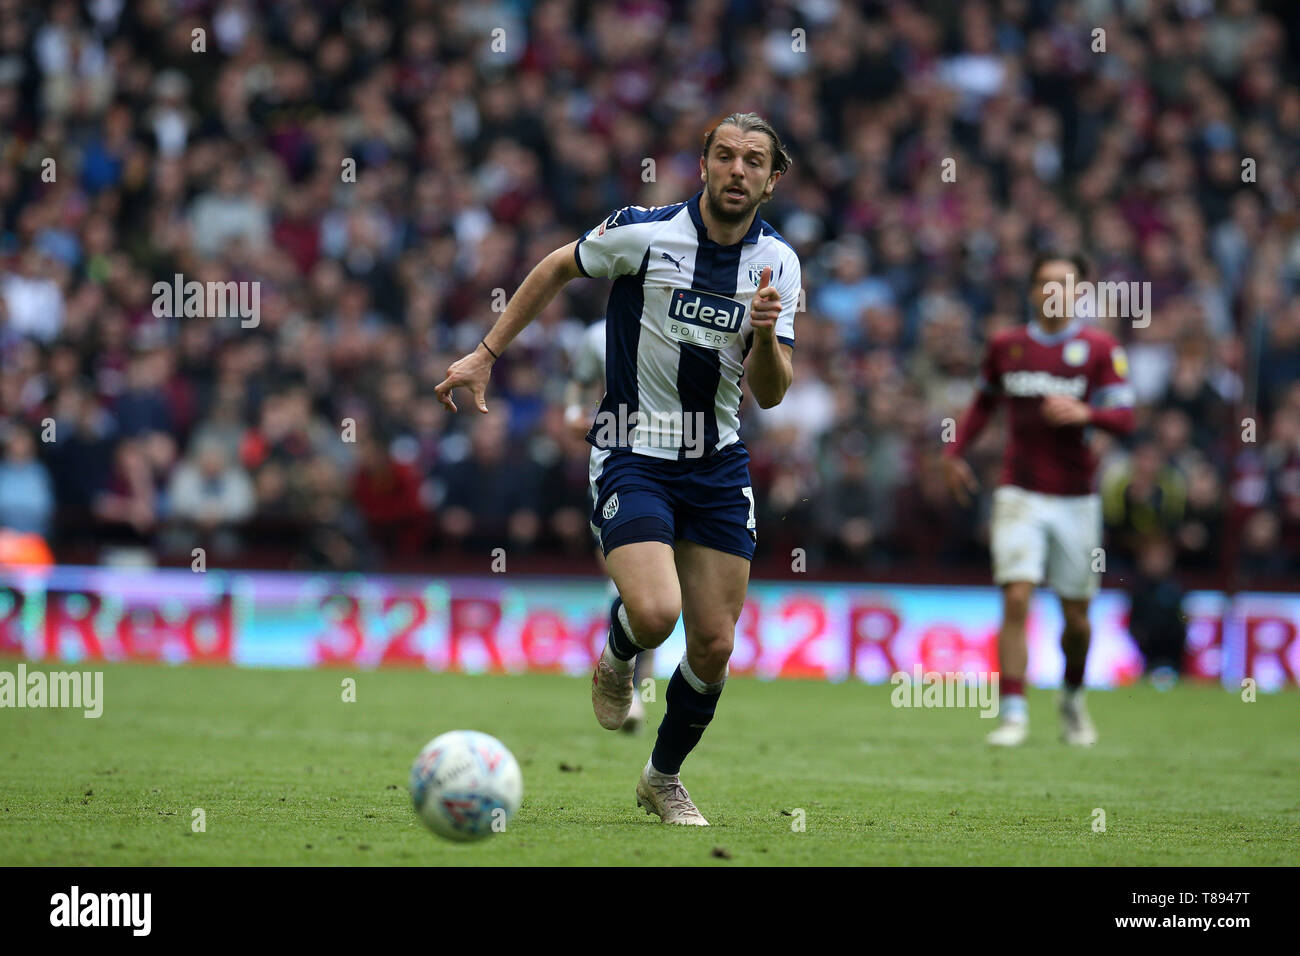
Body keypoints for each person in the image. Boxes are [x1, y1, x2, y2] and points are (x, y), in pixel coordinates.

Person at [437, 112, 800, 824]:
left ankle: (660, 779)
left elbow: (773, 391)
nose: (737, 170)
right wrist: (486, 353)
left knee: (717, 643)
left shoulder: (779, 264)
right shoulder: (646, 231)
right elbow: (554, 266)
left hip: (719, 461)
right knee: (656, 612)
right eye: (724, 155)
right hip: (633, 445)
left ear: (772, 178)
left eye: (753, 161)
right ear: (703, 163)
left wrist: (763, 335)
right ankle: (617, 654)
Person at [942, 253, 1136, 747]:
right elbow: (984, 403)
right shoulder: (1007, 346)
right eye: (1045, 284)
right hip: (1019, 490)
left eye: (1064, 285)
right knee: (1017, 596)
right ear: (1031, 291)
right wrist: (955, 452)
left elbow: (1126, 419)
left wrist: (1085, 413)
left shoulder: (1099, 349)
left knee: (1076, 620)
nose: (1054, 293)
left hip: (1076, 499)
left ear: (1079, 294)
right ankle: (1013, 712)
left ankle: (1071, 697)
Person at [564, 318, 653, 733]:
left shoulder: (681, 312)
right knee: (625, 583)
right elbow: (580, 383)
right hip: (617, 457)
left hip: (676, 457)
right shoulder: (596, 334)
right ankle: (627, 687)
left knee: (663, 593)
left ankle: (638, 679)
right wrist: (573, 413)